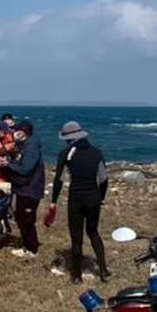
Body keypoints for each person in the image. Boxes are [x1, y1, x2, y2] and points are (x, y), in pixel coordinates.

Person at [44, 121, 111, 283]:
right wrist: (101, 197)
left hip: (76, 198)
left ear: (70, 139)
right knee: (93, 232)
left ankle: (76, 276)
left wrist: (53, 201)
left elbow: (59, 179)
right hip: (94, 197)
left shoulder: (65, 153)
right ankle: (103, 270)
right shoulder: (97, 152)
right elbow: (103, 179)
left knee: (76, 238)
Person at [5, 119, 45, 257]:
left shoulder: (31, 147)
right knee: (21, 218)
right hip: (23, 188)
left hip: (31, 189)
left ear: (24, 132)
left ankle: (32, 249)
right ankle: (27, 246)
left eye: (16, 130)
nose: (14, 133)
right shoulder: (23, 145)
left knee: (27, 220)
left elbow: (25, 169)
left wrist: (8, 165)